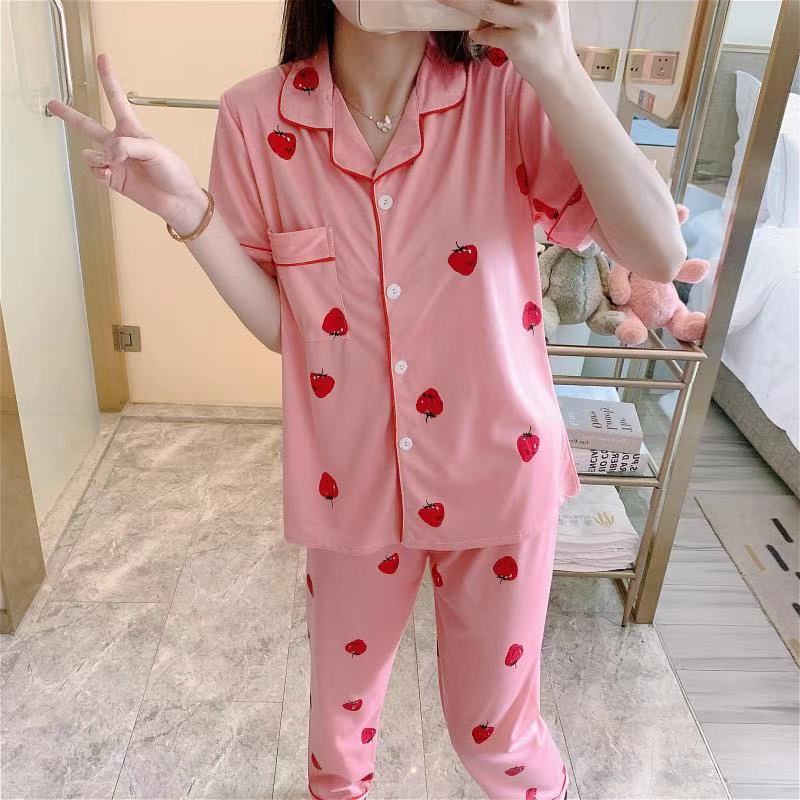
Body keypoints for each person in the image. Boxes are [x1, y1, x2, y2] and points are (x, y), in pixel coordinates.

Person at [48, 1, 686, 797]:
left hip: (500, 473)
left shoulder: (507, 92)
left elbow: (659, 250)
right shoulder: (256, 118)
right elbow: (289, 330)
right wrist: (188, 212)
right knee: (339, 731)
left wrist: (555, 64)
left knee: (498, 737)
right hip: (351, 484)